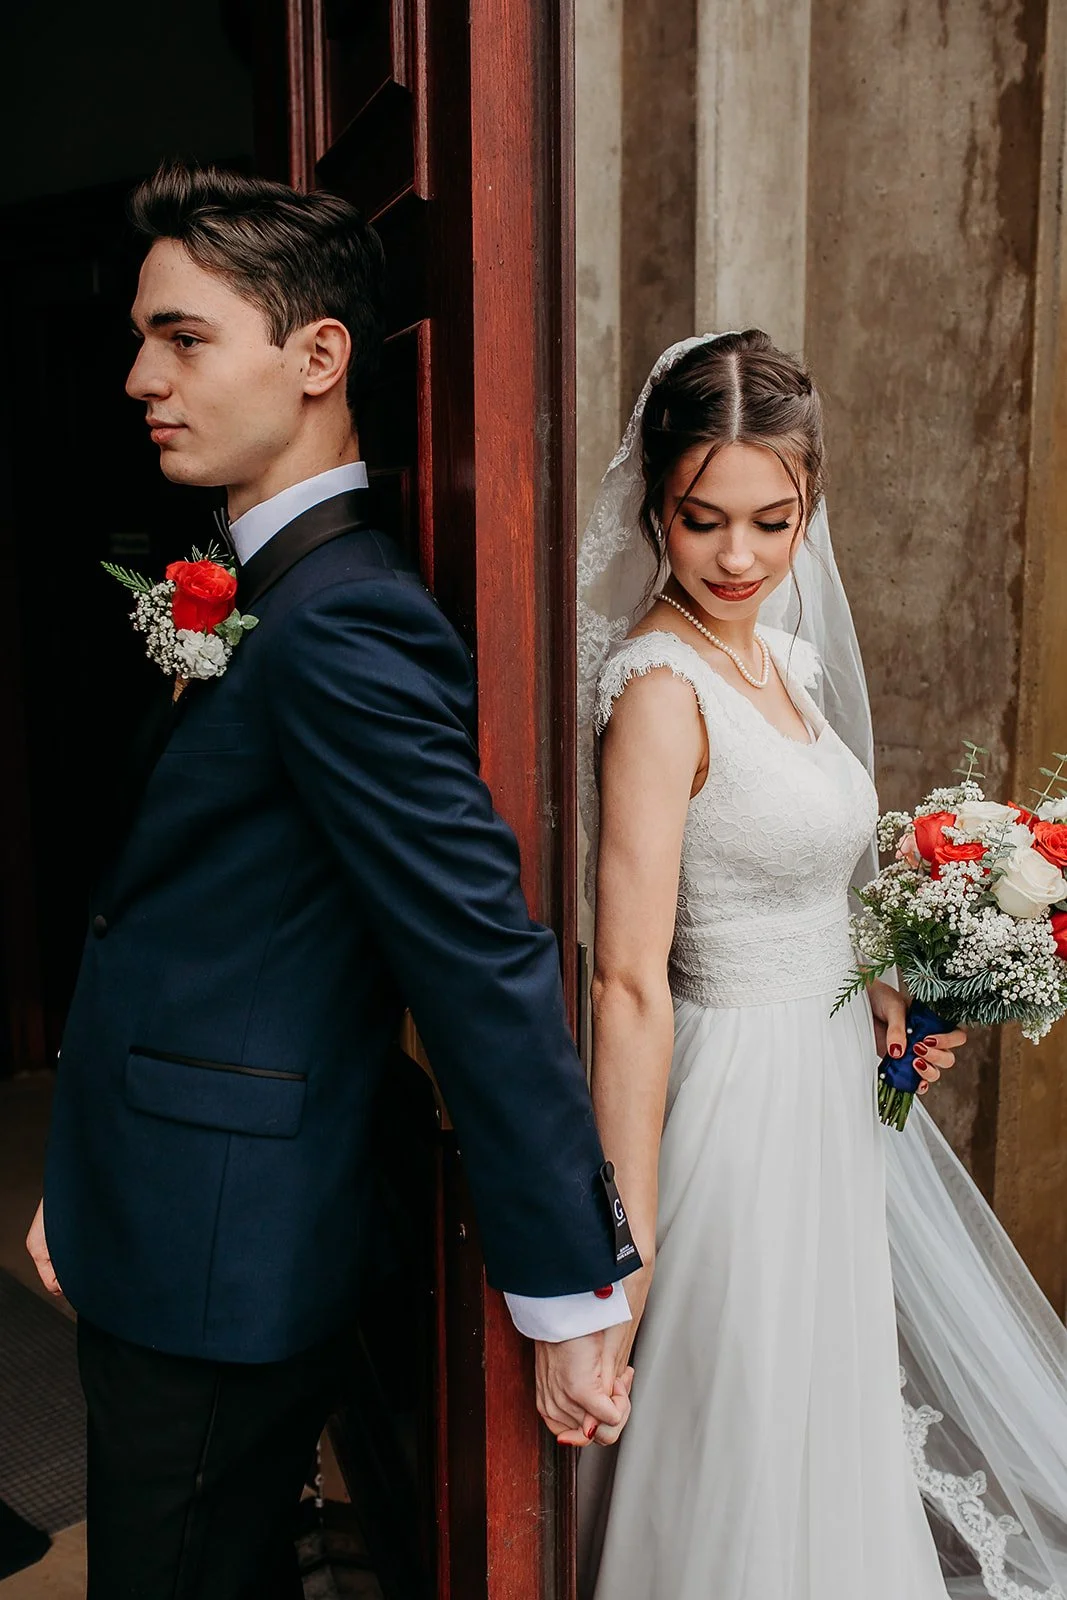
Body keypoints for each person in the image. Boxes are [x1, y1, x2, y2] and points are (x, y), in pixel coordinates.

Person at [25, 162, 638, 1600]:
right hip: (171, 1209)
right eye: (143, 339)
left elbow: (477, 955)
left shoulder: (345, 620)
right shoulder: (268, 583)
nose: (138, 379)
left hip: (222, 1259)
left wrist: (562, 1288)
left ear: (316, 357)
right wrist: (92, 1180)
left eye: (182, 338)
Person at [575, 331, 1067, 1599]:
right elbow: (630, 982)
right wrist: (612, 1259)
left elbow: (802, 885)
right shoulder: (656, 691)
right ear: (653, 505)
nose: (737, 557)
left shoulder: (781, 662)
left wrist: (887, 988)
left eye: (771, 520)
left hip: (832, 1098)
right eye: (700, 520)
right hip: (733, 1106)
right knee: (740, 1424)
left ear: (810, 507)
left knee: (822, 1412)